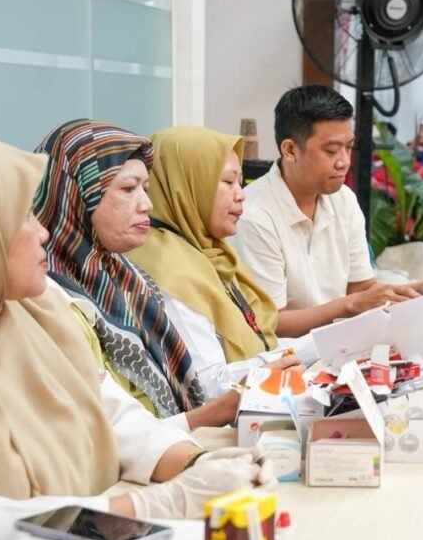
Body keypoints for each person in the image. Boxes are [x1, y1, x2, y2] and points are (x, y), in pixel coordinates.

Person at [0, 131, 274, 540]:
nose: (42, 230)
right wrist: (147, 506)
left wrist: (196, 463)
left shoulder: (37, 312)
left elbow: (107, 410)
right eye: (20, 216)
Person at [34, 120, 241, 430]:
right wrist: (207, 417)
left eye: (145, 189)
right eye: (128, 189)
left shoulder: (129, 277)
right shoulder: (44, 295)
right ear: (78, 193)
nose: (147, 205)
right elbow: (97, 433)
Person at [236, 85, 423, 337]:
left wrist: (418, 291)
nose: (344, 162)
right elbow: (271, 323)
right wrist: (348, 306)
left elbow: (360, 288)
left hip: (340, 343)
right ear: (290, 150)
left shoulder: (343, 200)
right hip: (285, 355)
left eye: (348, 147)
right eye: (330, 151)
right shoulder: (255, 215)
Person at [126, 127, 309, 403]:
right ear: (186, 186)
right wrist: (310, 349)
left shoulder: (209, 253)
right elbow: (209, 386)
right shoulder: (169, 268)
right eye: (228, 182)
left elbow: (261, 343)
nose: (241, 194)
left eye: (240, 182)